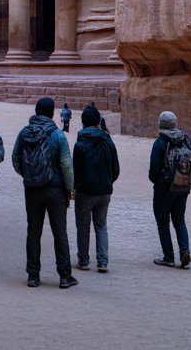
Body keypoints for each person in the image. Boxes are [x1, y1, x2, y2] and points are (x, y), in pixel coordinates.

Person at [12, 97, 78, 289]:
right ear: (52, 113)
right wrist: (69, 189)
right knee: (60, 233)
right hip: (55, 190)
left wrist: (28, 175)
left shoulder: (24, 133)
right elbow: (66, 165)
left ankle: (33, 276)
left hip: (32, 189)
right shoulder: (58, 135)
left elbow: (15, 158)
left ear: (36, 111)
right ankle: (65, 276)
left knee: (33, 232)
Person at [72, 105, 120, 273]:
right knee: (101, 225)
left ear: (83, 122)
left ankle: (84, 261)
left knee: (83, 226)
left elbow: (76, 170)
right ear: (98, 121)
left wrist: (74, 188)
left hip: (85, 192)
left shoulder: (80, 143)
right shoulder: (108, 140)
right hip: (104, 191)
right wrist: (108, 182)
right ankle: (102, 262)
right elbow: (116, 169)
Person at [149, 110, 191, 269]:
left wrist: (160, 182)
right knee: (179, 220)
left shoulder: (160, 143)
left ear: (160, 124)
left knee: (163, 222)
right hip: (183, 187)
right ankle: (185, 251)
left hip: (164, 189)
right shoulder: (186, 140)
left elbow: (153, 171)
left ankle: (168, 257)